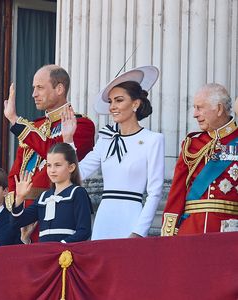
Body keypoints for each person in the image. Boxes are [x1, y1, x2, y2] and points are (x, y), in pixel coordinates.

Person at [62, 66, 165, 240]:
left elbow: (155, 192)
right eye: (110, 102)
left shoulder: (153, 140)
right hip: (104, 218)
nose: (112, 107)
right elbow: (79, 173)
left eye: (118, 100)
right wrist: (68, 139)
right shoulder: (106, 139)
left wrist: (139, 231)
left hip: (132, 218)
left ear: (135, 104)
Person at [3, 64, 95, 239]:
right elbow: (16, 172)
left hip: (54, 214)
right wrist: (18, 205)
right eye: (33, 88)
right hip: (22, 215)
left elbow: (54, 152)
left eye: (40, 87)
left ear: (59, 88)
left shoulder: (81, 125)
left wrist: (15, 120)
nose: (34, 94)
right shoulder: (33, 127)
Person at [161, 83, 238, 236]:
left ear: (219, 109)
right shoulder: (192, 145)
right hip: (190, 232)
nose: (195, 114)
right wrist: (168, 235)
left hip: (229, 233)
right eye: (195, 108)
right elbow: (177, 193)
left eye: (200, 107)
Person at [11, 143, 92, 243]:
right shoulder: (43, 197)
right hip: (45, 253)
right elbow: (17, 222)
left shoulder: (78, 193)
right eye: (49, 165)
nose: (52, 170)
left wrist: (62, 245)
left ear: (71, 167)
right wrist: (19, 198)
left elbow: (84, 231)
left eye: (57, 165)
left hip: (68, 254)